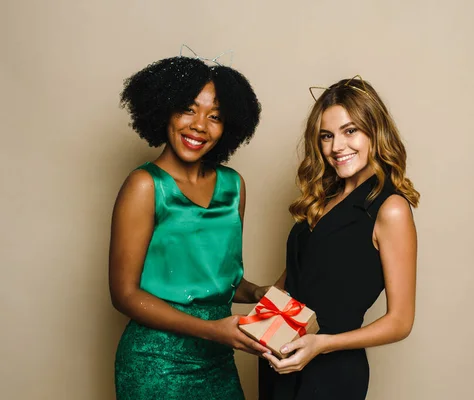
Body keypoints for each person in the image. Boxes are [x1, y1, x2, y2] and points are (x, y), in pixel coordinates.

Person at [110, 53, 270, 399]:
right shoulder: (145, 186)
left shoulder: (234, 187)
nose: (200, 125)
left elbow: (216, 278)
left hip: (218, 361)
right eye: (188, 109)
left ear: (228, 127)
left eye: (215, 116)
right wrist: (211, 330)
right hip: (155, 363)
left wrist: (256, 293)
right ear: (164, 110)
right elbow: (124, 293)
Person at [260, 77, 420, 399]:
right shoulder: (322, 198)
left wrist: (322, 344)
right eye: (326, 136)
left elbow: (401, 321)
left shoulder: (390, 209)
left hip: (330, 371)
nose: (337, 147)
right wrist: (246, 315)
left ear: (375, 131)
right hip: (280, 357)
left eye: (350, 131)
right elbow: (295, 282)